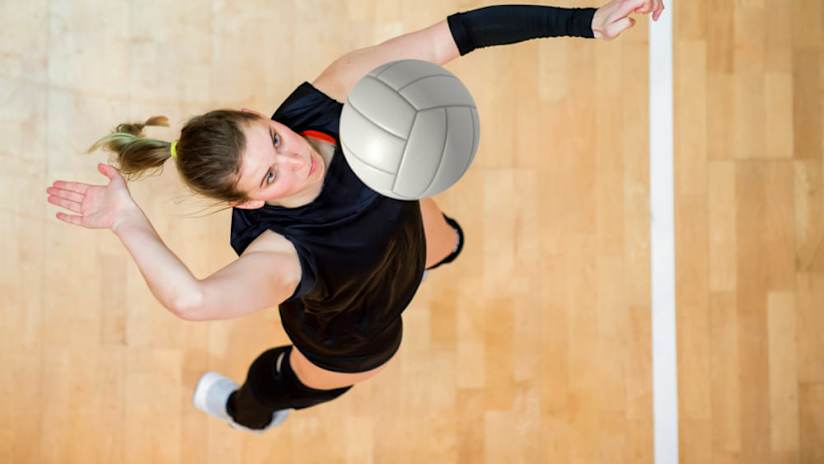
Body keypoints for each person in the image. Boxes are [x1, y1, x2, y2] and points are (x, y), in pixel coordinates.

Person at [44, 0, 665, 433]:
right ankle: (248, 412)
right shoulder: (279, 255)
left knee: (442, 237)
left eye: (276, 139)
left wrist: (586, 21)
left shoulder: (334, 93)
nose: (295, 162)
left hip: (408, 236)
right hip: (356, 324)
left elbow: (462, 32)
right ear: (248, 204)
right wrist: (128, 221)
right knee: (290, 378)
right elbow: (193, 302)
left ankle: (437, 252)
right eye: (269, 176)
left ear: (266, 116)